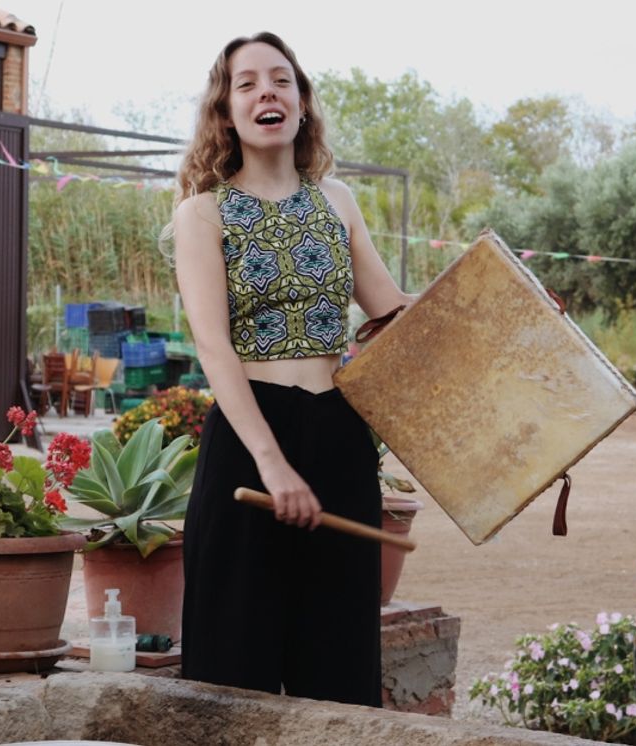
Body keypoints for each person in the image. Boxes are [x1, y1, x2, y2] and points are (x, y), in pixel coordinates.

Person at [169, 32, 412, 707]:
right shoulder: (202, 213)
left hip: (338, 434)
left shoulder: (337, 202)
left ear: (302, 104)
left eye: (281, 80)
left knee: (339, 661)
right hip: (250, 441)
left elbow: (390, 311)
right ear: (224, 113)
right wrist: (273, 465)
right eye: (246, 84)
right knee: (232, 665)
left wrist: (495, 299)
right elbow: (214, 350)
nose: (266, 92)